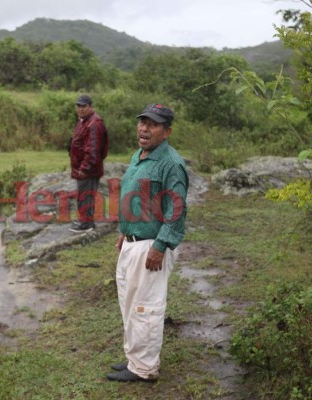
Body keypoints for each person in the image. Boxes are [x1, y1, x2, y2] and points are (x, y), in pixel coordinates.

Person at [106, 103, 188, 382]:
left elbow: (176, 211)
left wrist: (161, 246)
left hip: (151, 246)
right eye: (142, 122)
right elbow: (137, 197)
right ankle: (134, 359)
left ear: (166, 132)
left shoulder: (171, 164)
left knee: (145, 307)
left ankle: (144, 369)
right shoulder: (139, 156)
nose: (144, 128)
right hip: (132, 241)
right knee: (129, 303)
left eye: (153, 124)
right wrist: (125, 228)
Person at [69, 94, 108, 233]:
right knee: (83, 194)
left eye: (83, 106)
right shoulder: (84, 120)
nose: (80, 109)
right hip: (83, 167)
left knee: (86, 195)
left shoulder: (94, 123)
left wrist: (85, 168)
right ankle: (85, 221)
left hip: (88, 169)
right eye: (78, 106)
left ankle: (86, 224)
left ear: (91, 107)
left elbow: (93, 149)